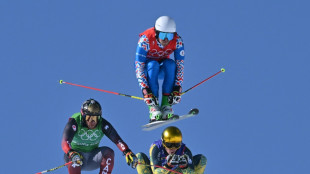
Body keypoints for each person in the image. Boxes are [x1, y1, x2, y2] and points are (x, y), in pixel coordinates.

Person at [61, 98, 138, 174]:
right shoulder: (75, 121)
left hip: (92, 158)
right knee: (73, 158)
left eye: (95, 118)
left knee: (109, 152)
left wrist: (127, 151)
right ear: (83, 116)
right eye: (89, 118)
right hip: (76, 157)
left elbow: (117, 140)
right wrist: (71, 153)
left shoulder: (102, 124)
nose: (92, 121)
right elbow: (65, 142)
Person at [135, 16, 185, 122]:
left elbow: (180, 65)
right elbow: (139, 66)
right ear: (156, 33)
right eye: (163, 35)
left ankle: (166, 106)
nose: (166, 39)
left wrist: (177, 87)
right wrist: (145, 90)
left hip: (162, 70)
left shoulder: (177, 41)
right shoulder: (145, 40)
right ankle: (154, 108)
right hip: (148, 71)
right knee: (153, 64)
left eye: (170, 36)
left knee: (170, 64)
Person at [136, 126, 207, 174]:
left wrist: (184, 167)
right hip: (162, 171)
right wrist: (168, 165)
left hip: (175, 172)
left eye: (176, 145)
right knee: (139, 157)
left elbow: (192, 172)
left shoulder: (185, 150)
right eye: (169, 145)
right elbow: (156, 172)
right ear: (163, 143)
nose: (173, 148)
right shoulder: (156, 148)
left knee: (202, 159)